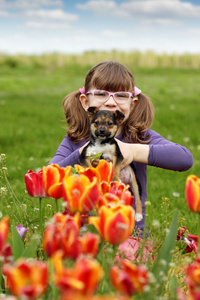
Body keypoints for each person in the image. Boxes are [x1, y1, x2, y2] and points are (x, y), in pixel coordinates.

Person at [48, 60, 193, 238]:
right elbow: (48, 176)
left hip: (130, 235)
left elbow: (185, 158)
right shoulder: (76, 139)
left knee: (125, 260)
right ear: (85, 102)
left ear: (132, 104)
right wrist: (81, 153)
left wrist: (133, 151)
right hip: (84, 235)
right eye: (101, 94)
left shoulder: (139, 137)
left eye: (121, 96)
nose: (111, 102)